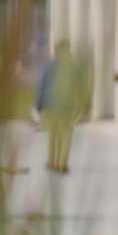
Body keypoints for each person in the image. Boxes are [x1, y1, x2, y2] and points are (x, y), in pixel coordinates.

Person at [33, 40, 89, 173]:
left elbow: (41, 87)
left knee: (51, 135)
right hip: (67, 108)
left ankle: (51, 162)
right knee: (66, 136)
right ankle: (62, 164)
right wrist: (82, 107)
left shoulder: (47, 66)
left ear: (55, 49)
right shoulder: (74, 67)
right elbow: (80, 89)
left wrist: (38, 105)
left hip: (48, 107)